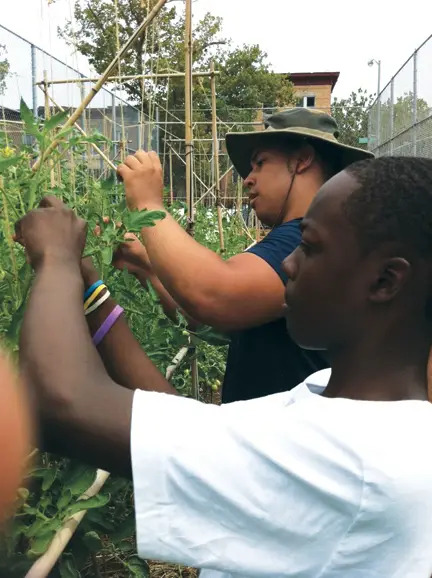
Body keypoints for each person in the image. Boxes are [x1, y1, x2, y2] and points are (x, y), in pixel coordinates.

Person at [16, 157, 432, 577]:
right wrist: (89, 287)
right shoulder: (336, 398)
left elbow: (62, 405)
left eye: (308, 247)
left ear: (385, 281)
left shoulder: (353, 463)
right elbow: (186, 421)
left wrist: (56, 259)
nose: (287, 265)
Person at [114, 108, 373, 403]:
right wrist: (145, 264)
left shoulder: (306, 243)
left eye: (260, 163)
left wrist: (148, 204)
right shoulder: (295, 241)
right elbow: (211, 320)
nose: (247, 179)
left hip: (284, 443)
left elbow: (215, 295)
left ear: (301, 160)